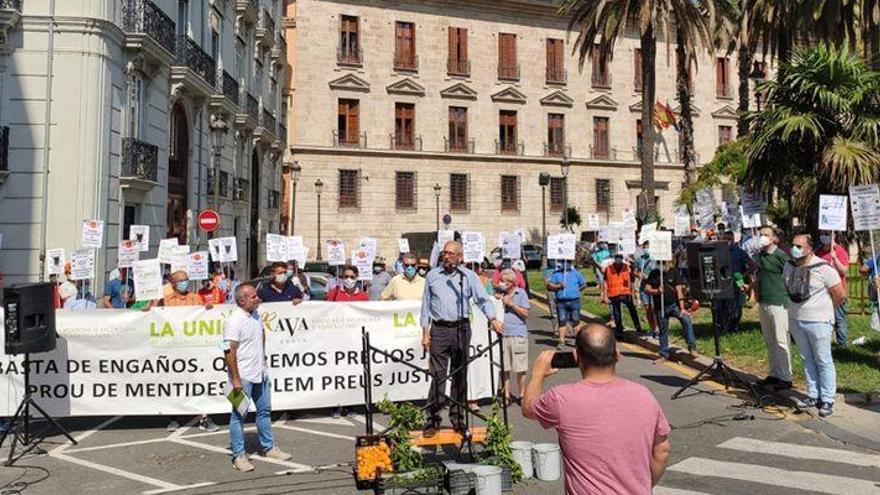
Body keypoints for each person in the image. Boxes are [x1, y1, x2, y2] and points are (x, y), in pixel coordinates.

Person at [522, 325, 671, 494]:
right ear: (617, 355)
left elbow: (528, 409)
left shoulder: (561, 398)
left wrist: (538, 375)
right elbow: (662, 450)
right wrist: (641, 486)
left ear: (577, 356)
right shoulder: (644, 395)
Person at [420, 241, 503, 437]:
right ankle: (433, 419)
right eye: (444, 253)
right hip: (439, 329)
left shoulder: (468, 276)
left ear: (460, 257)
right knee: (439, 375)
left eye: (450, 254)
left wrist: (493, 319)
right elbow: (425, 307)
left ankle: (458, 418)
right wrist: (425, 333)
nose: (446, 257)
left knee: (460, 375)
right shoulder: (433, 276)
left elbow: (482, 299)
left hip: (461, 329)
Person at [223, 284, 292, 471]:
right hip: (242, 377)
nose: (258, 298)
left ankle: (269, 447)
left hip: (260, 373)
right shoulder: (234, 321)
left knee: (264, 411)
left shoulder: (255, 315)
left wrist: (263, 361)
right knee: (238, 416)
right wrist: (235, 380)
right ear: (242, 300)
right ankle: (239, 456)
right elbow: (228, 351)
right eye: (253, 297)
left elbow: (261, 335)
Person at [783, 234, 844, 417]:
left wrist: (825, 310)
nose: (795, 249)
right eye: (794, 245)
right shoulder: (788, 266)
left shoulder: (824, 268)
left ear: (809, 248)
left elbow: (839, 294)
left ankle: (827, 398)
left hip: (818, 321)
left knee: (823, 359)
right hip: (796, 319)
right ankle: (812, 394)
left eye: (800, 246)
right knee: (806, 358)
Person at [159, 270, 217, 432]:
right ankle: (173, 418)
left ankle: (204, 418)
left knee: (199, 383)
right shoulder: (166, 301)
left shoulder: (195, 298)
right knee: (174, 383)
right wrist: (148, 309)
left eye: (186, 280)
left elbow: (205, 317)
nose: (184, 283)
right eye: (180, 281)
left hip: (193, 349)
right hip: (174, 349)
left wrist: (208, 309)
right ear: (173, 283)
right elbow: (153, 315)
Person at [754, 226, 794, 390]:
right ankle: (774, 373)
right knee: (770, 340)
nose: (762, 237)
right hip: (764, 301)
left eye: (766, 235)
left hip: (779, 302)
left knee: (781, 340)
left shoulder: (780, 256)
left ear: (774, 238)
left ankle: (785, 377)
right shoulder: (761, 256)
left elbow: (791, 275)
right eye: (761, 234)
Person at [645, 261, 696, 361]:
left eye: (663, 262)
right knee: (663, 331)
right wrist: (657, 291)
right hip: (661, 307)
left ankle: (692, 346)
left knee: (686, 319)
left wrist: (682, 308)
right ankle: (664, 353)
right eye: (660, 262)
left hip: (673, 306)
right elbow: (647, 288)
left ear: (668, 262)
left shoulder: (674, 272)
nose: (662, 265)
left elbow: (679, 290)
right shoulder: (654, 273)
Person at [497, 269, 530, 406]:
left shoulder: (521, 293)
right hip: (504, 333)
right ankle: (506, 395)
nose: (502, 283)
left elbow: (525, 313)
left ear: (511, 282)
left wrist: (511, 304)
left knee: (520, 367)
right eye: (501, 281)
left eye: (504, 281)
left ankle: (522, 394)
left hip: (518, 334)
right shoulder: (500, 294)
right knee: (504, 367)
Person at [815, 234, 850, 346]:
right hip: (822, 292)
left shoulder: (840, 251)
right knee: (823, 319)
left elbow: (844, 271)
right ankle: (825, 342)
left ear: (833, 236)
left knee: (839, 319)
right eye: (823, 233)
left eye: (827, 234)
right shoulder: (818, 251)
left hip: (837, 292)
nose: (824, 236)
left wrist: (835, 259)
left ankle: (842, 345)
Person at [546, 260, 587, 349]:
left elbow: (584, 285)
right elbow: (549, 287)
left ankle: (578, 341)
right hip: (561, 302)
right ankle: (562, 341)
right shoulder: (556, 274)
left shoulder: (576, 274)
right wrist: (559, 286)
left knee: (576, 321)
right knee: (562, 321)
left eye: (568, 262)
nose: (566, 264)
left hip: (574, 301)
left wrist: (576, 291)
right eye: (564, 262)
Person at [603, 254, 643, 338]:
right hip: (613, 293)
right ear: (614, 258)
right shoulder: (608, 269)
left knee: (632, 309)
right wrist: (605, 295)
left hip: (625, 292)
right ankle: (619, 329)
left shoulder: (627, 267)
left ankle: (637, 326)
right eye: (617, 257)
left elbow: (632, 279)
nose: (618, 259)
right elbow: (605, 282)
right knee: (616, 312)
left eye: (620, 257)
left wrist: (632, 292)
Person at [633, 242, 659, 337]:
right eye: (645, 247)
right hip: (643, 287)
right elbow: (635, 272)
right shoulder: (639, 260)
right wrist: (640, 275)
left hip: (653, 286)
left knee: (654, 308)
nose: (647, 249)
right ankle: (652, 327)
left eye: (648, 247)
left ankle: (657, 327)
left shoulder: (655, 259)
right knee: (647, 308)